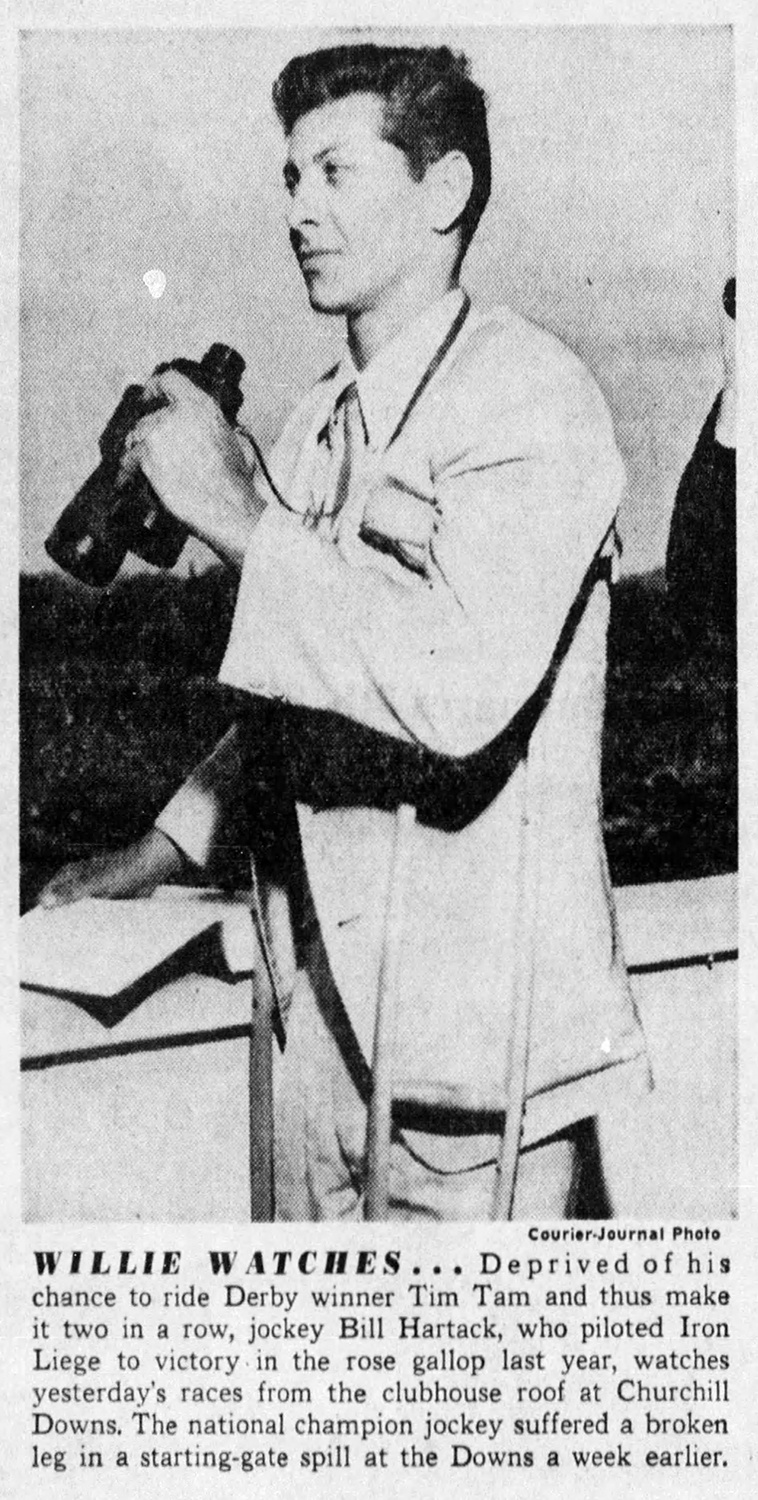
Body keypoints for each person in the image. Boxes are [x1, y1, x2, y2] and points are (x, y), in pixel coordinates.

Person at [39, 44, 650, 1220]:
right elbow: (295, 695)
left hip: (473, 1065)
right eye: (287, 178)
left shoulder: (533, 399)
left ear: (443, 192)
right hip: (308, 1032)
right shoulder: (319, 419)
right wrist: (156, 855)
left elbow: (460, 686)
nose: (298, 211)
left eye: (332, 170)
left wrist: (234, 512)